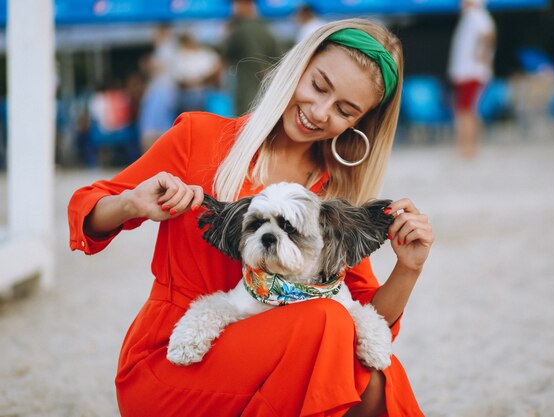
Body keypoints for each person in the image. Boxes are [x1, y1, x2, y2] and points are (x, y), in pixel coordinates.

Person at [68, 18, 434, 417]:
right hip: (176, 359)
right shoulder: (198, 137)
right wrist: (132, 203)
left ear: (358, 124)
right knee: (324, 322)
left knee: (374, 375)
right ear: (297, 67)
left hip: (281, 365)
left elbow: (367, 321)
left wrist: (408, 268)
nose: (319, 111)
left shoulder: (332, 200)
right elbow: (89, 210)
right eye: (318, 86)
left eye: (345, 110)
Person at [447, 0, 496, 158]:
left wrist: (481, 57)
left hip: (471, 72)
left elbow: (489, 36)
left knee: (466, 111)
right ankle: (466, 146)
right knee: (466, 111)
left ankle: (468, 147)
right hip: (466, 72)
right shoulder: (470, 17)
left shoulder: (477, 16)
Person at [222, 0, 280, 116]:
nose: (233, 8)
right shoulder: (266, 29)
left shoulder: (239, 30)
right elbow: (276, 59)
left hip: (245, 89)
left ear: (246, 5)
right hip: (263, 92)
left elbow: (226, 58)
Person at [138, 24, 179, 153]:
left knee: (151, 128)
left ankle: (148, 158)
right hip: (164, 91)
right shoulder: (167, 48)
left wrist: (146, 64)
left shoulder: (167, 48)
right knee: (160, 127)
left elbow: (160, 67)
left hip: (162, 91)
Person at [173, 32, 223, 114]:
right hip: (186, 93)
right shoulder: (180, 55)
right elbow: (178, 78)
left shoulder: (205, 54)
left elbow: (217, 67)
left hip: (203, 92)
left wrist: (202, 79)